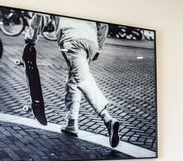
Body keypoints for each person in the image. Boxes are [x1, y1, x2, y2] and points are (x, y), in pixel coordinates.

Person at [26, 14, 122, 148]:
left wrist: (31, 38)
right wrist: (99, 46)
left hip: (72, 38)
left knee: (82, 79)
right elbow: (103, 24)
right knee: (75, 78)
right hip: (91, 41)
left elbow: (42, 15)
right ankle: (71, 123)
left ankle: (107, 119)